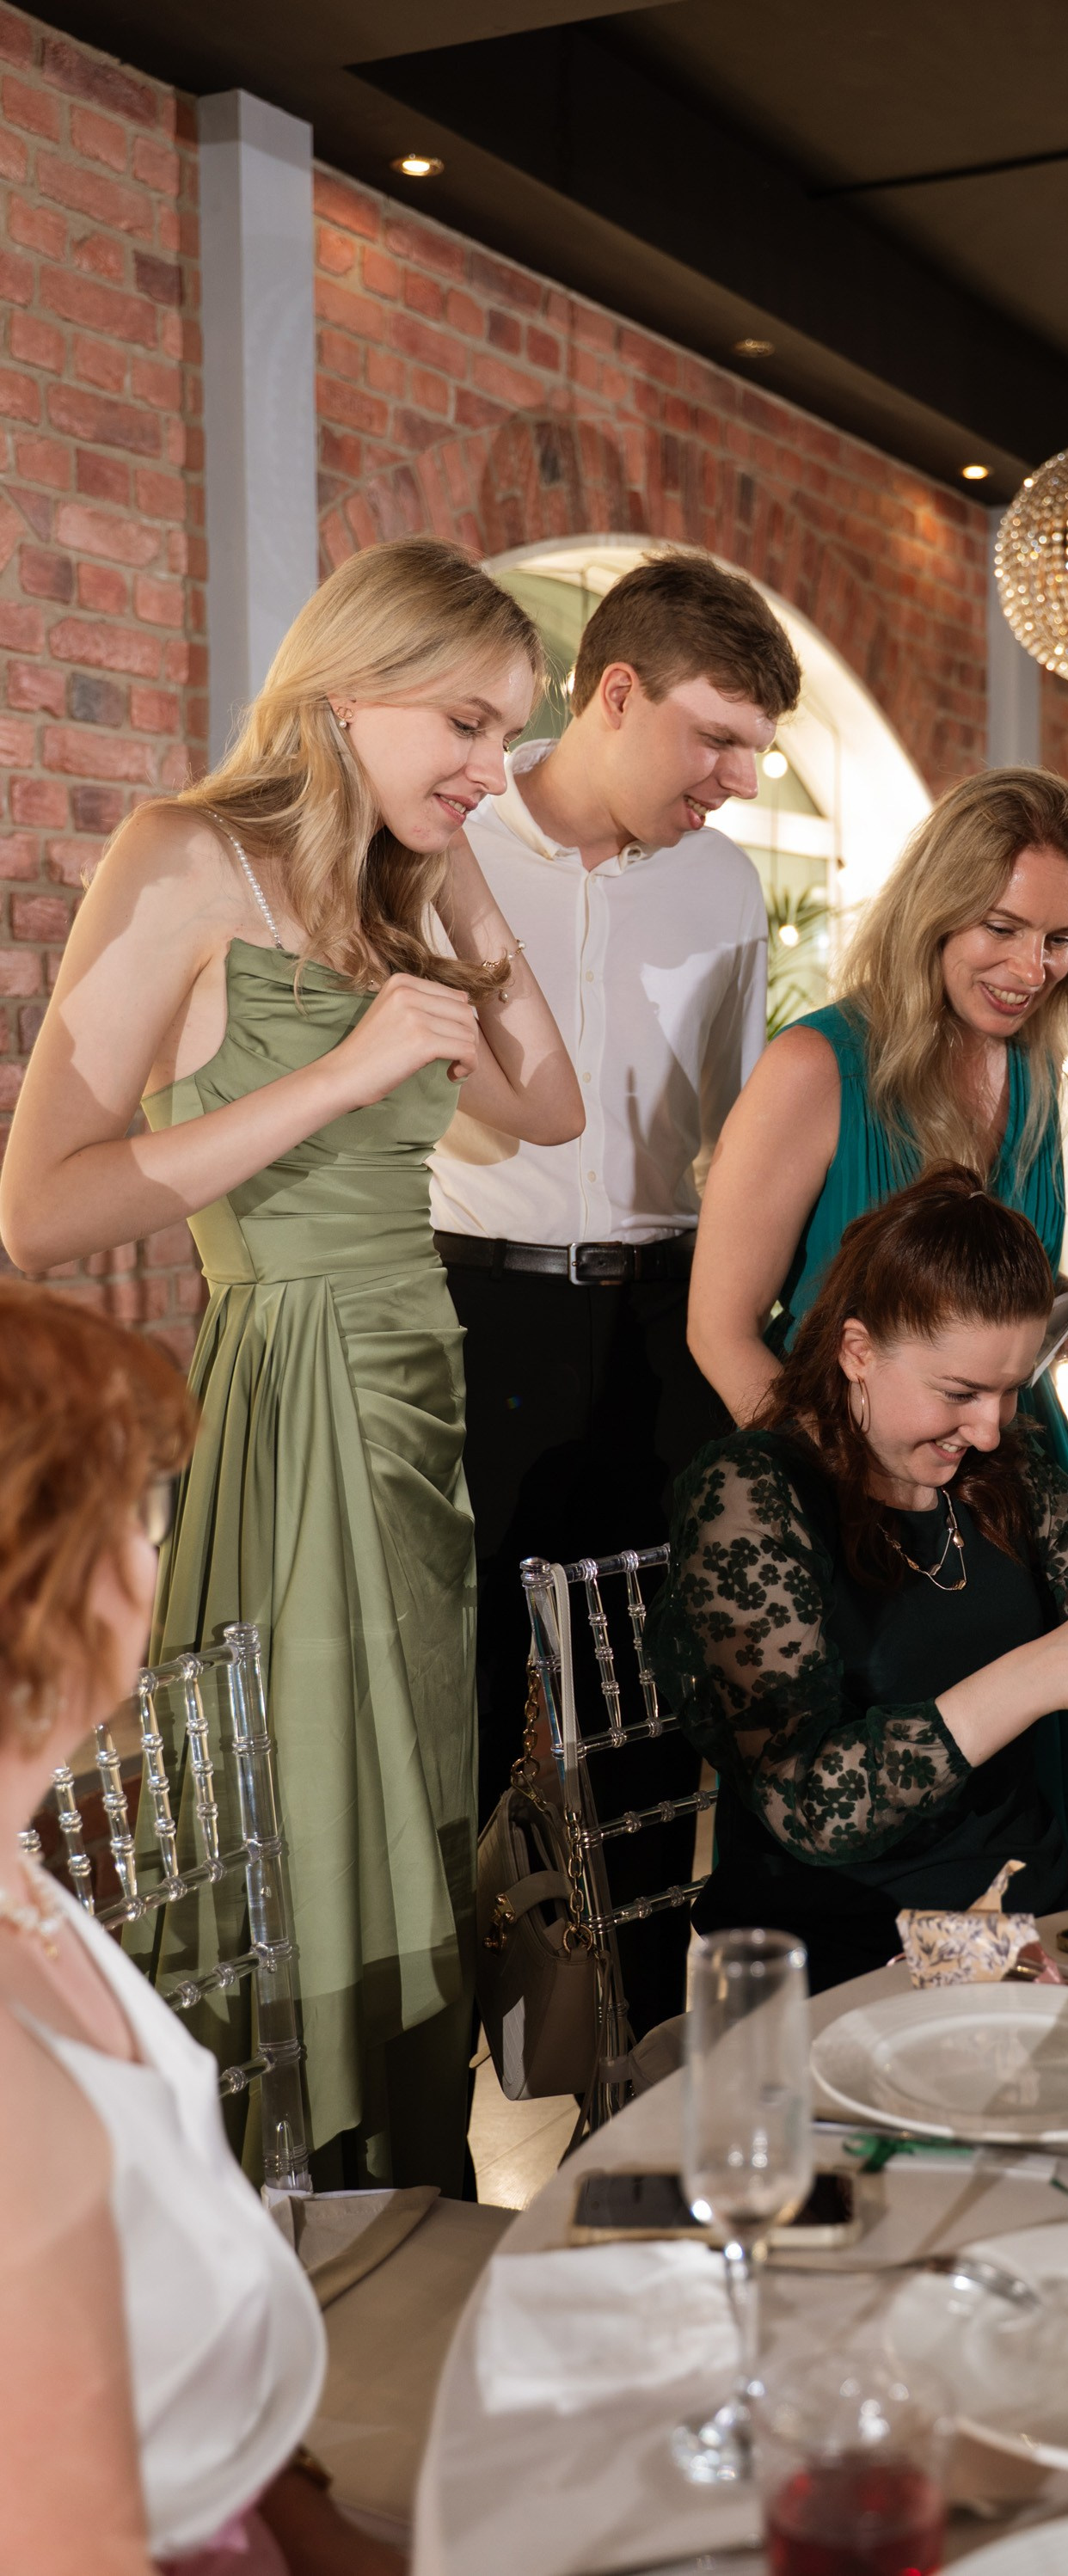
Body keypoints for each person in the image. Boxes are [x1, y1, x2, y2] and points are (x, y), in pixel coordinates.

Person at [0, 537, 583, 2192]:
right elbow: (39, 1206)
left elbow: (551, 1105)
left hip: (419, 1396)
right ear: (344, 695)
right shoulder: (183, 856)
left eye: (508, 736)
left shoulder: (398, 892)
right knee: (308, 1814)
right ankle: (294, 2204)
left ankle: (396, 2189)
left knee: (414, 1798)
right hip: (296, 1375)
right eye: (464, 727)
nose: (496, 768)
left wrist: (456, 869)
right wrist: (342, 1077)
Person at [689, 765, 1068, 1898]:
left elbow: (976, 1282)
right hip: (853, 1486)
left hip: (1015, 1465)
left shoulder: (1027, 1072)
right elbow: (719, 1330)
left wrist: (1054, 1308)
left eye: (1061, 940)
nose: (1032, 969)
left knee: (1058, 1778)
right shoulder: (812, 1068)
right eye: (1002, 927)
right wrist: (839, 1510)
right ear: (936, 910)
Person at [428, 549, 801, 2032]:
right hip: (468, 1310)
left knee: (651, 1723)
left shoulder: (725, 885)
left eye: (756, 752)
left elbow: (740, 1142)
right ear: (616, 691)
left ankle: (650, 2074)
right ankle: (424, 2113)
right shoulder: (445, 837)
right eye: (715, 737)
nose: (735, 779)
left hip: (662, 1319)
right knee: (451, 1712)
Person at [0, 1284, 402, 2576]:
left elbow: (185, 2252)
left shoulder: (28, 1880)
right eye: (140, 1512)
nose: (156, 1555)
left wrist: (314, 2523)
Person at [650, 1168, 1068, 1990]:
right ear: (858, 1351)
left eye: (1011, 1391)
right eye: (960, 1392)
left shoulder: (1006, 1472)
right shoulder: (752, 1497)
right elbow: (808, 1803)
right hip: (839, 1964)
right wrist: (1039, 1674)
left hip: (1026, 1939)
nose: (988, 1427)